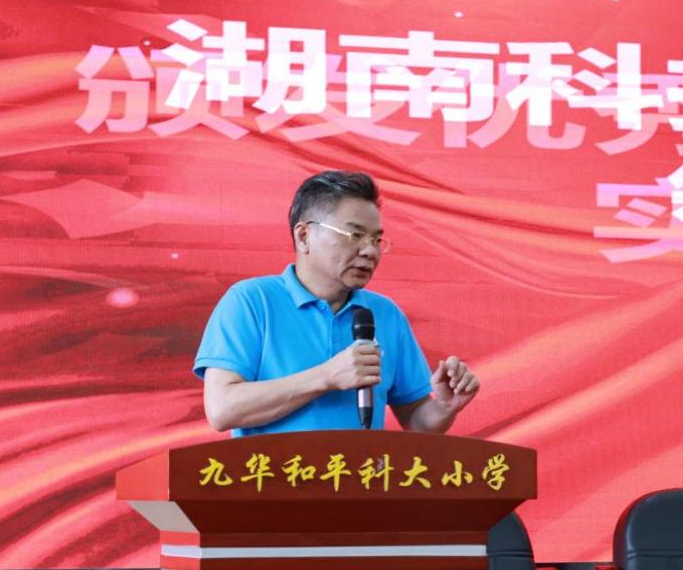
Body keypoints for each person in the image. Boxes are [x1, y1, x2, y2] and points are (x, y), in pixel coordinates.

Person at [193, 170, 480, 436]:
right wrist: (327, 377)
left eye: (376, 239)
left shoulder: (385, 314)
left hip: (359, 475)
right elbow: (222, 409)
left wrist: (445, 407)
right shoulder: (252, 301)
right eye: (355, 235)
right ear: (304, 236)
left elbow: (417, 423)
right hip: (273, 475)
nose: (370, 251)